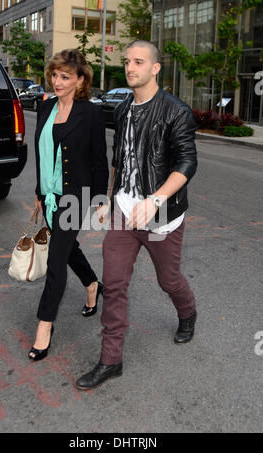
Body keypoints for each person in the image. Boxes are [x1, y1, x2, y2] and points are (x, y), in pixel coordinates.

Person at [76, 40, 198, 390]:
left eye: (139, 62)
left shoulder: (176, 111)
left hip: (160, 216)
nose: (130, 67)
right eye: (127, 61)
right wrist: (108, 199)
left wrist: (156, 199)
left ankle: (187, 313)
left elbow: (187, 162)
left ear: (155, 68)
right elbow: (122, 158)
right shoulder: (124, 108)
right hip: (124, 212)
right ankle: (110, 361)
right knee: (113, 285)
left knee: (168, 280)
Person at [28, 49, 109, 361]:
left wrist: (101, 200)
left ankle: (45, 325)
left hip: (76, 196)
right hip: (50, 196)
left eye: (65, 76)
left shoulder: (90, 114)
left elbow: (100, 161)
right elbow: (41, 153)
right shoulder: (45, 107)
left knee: (56, 261)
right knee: (67, 248)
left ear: (80, 80)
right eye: (54, 75)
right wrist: (38, 191)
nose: (57, 81)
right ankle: (91, 284)